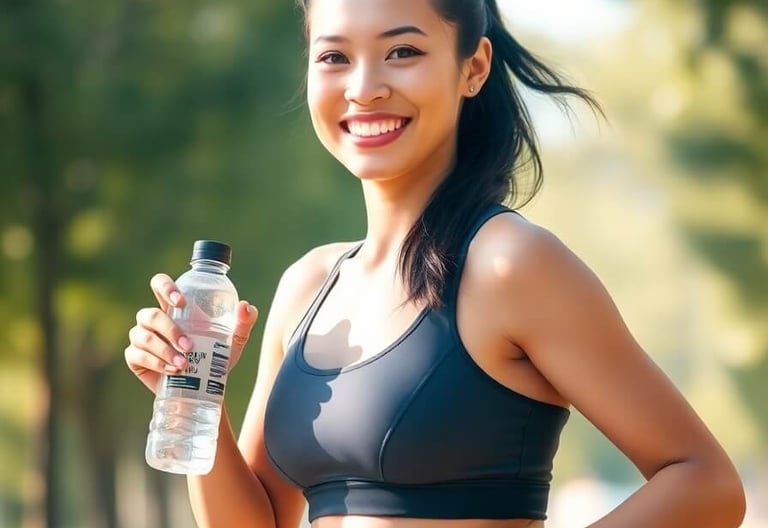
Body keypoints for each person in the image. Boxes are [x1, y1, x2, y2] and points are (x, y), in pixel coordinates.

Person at [124, 0, 747, 526]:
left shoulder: (510, 264)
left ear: (473, 68)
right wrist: (190, 396)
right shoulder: (306, 285)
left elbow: (704, 483)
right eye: (334, 56)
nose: (364, 86)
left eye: (402, 52)